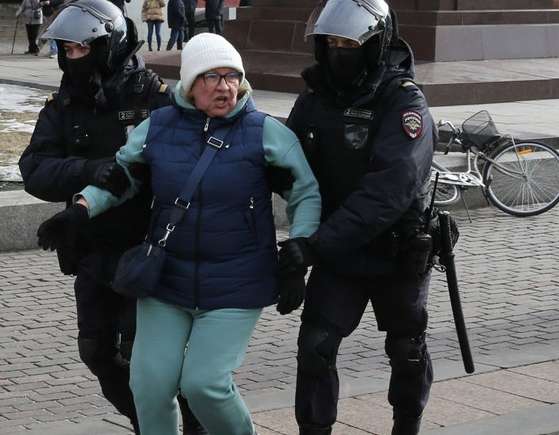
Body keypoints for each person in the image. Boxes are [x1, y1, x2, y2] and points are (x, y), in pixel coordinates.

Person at [36, 32, 321, 434]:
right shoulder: (159, 126)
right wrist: (80, 210)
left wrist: (300, 246)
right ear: (189, 84)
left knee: (205, 385)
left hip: (235, 282)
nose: (225, 87)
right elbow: (122, 177)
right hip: (167, 279)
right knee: (149, 386)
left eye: (232, 77)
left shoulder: (265, 132)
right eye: (212, 77)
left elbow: (305, 192)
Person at [19, 0, 206, 433]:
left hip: (149, 252)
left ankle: (194, 426)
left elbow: (193, 167)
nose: (70, 57)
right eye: (65, 50)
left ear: (108, 45)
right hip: (92, 252)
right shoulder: (63, 104)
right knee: (96, 351)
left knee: (149, 357)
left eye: (79, 49)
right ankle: (149, 425)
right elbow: (34, 168)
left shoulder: (154, 97)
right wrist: (87, 169)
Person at [284, 1, 436, 433]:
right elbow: (285, 169)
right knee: (314, 347)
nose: (338, 52)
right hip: (337, 254)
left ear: (374, 45)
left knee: (406, 350)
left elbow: (390, 189)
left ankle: (407, 424)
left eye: (349, 43)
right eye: (331, 42)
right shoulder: (315, 98)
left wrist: (314, 245)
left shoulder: (402, 100)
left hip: (395, 251)